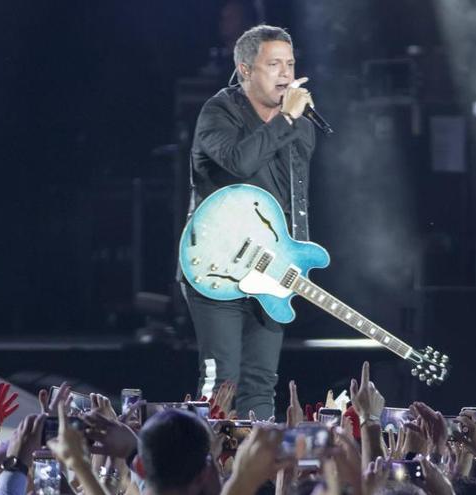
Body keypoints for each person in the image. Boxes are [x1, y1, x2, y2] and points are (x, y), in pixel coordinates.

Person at [181, 24, 317, 419]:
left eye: (290, 64)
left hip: (270, 268)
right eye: (274, 64)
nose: (286, 74)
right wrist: (285, 121)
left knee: (260, 382)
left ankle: (255, 475)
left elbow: (297, 200)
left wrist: (299, 258)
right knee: (223, 381)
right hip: (215, 266)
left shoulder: (301, 126)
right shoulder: (218, 112)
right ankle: (205, 472)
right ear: (244, 70)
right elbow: (240, 162)